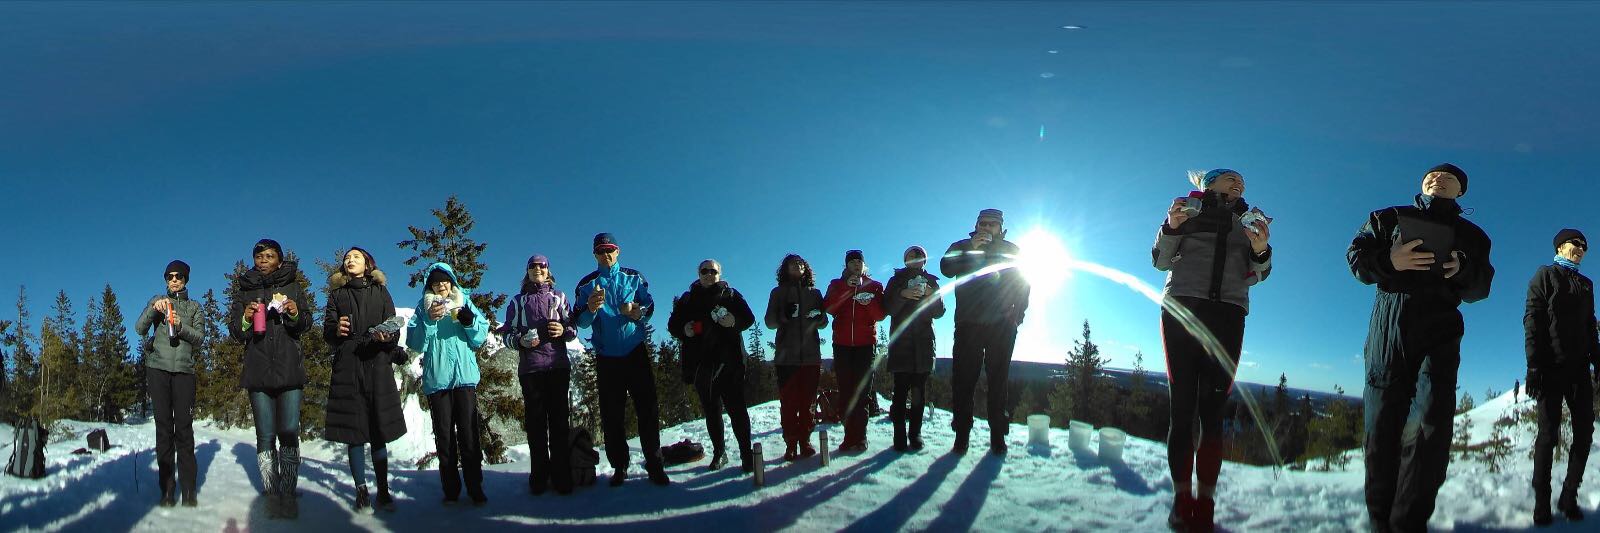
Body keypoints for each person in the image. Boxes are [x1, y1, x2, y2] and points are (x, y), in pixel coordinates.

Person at [1348, 163, 1494, 533]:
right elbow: (1356, 259)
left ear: (1461, 191)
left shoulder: (1474, 236)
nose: (1438, 179)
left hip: (1440, 332)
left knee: (1431, 424)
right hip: (1389, 329)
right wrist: (1390, 260)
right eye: (1431, 175)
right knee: (1381, 429)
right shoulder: (1388, 217)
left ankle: (1409, 523)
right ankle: (1380, 521)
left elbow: (1481, 288)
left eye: (1449, 177)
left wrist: (1462, 269)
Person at [1152, 169, 1273, 532]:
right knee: (1182, 409)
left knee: (1213, 412)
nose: (1239, 184)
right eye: (1231, 178)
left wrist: (1260, 248)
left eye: (1243, 181)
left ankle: (1205, 502)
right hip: (1182, 310)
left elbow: (1261, 273)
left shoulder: (1249, 220)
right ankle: (1181, 499)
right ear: (1209, 183)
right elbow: (1160, 260)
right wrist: (1172, 226)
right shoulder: (1188, 210)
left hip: (1228, 315)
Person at [573, 233, 670, 486]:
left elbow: (649, 306)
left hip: (635, 351)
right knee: (612, 414)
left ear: (618, 251)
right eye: (600, 250)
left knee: (648, 409)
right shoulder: (586, 285)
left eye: (610, 249)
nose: (606, 254)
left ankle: (655, 464)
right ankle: (620, 466)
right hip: (607, 357)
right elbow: (580, 322)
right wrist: (590, 308)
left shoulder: (634, 277)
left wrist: (638, 312)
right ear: (594, 254)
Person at [228, 239, 312, 519]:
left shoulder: (293, 287)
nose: (263, 260)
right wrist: (246, 318)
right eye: (259, 256)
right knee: (265, 434)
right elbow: (235, 331)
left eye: (269, 256)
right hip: (258, 370)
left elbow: (306, 323)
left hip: (289, 369)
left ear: (279, 260)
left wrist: (294, 313)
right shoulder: (245, 291)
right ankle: (271, 492)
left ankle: (288, 493)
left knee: (288, 431)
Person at [940, 209, 1030, 455]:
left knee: (998, 382)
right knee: (963, 380)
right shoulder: (962, 245)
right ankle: (961, 435)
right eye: (983, 223)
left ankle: (998, 436)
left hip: (1002, 326)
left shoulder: (1011, 250)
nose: (987, 228)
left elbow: (1024, 284)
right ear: (976, 225)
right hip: (968, 323)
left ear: (1001, 228)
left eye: (992, 224)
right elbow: (946, 268)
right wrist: (971, 249)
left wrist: (1017, 316)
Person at [323, 247, 406, 513]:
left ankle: (383, 490)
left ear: (367, 264)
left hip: (377, 361)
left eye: (356, 257)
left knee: (378, 428)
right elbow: (328, 331)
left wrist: (387, 337)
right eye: (347, 258)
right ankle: (361, 491)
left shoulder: (380, 291)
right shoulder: (337, 294)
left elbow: (393, 324)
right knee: (354, 431)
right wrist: (337, 330)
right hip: (348, 363)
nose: (350, 260)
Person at [1523, 228, 1597, 526]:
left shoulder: (1586, 284)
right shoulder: (1545, 275)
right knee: (1548, 435)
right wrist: (1533, 365)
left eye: (1584, 246)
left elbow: (1590, 326)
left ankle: (1569, 495)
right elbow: (1533, 319)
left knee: (1585, 433)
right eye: (1575, 243)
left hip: (1579, 370)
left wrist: (1597, 361)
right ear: (1560, 247)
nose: (1581, 248)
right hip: (1550, 367)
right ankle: (1542, 502)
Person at [405, 262, 491, 506]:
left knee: (469, 435)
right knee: (445, 438)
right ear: (429, 286)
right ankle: (451, 489)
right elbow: (414, 343)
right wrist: (429, 320)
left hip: (464, 378)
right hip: (438, 380)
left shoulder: (464, 301)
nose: (441, 285)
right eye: (435, 282)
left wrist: (469, 322)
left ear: (452, 282)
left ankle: (475, 487)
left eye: (444, 280)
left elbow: (480, 336)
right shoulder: (423, 307)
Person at [497, 254, 578, 496]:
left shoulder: (559, 297)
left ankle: (562, 475)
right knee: (536, 425)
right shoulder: (517, 302)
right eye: (533, 266)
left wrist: (563, 329)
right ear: (527, 271)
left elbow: (573, 328)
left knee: (559, 423)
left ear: (548, 270)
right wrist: (520, 340)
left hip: (557, 367)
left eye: (542, 266)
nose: (538, 269)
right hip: (531, 370)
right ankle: (539, 476)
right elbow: (506, 334)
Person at [668, 259, 757, 472]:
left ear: (720, 274)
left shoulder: (731, 295)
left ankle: (746, 454)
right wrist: (684, 330)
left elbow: (749, 319)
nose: (709, 274)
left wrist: (733, 321)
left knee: (737, 410)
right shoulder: (688, 299)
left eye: (713, 271)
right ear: (698, 274)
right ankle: (719, 453)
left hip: (730, 363)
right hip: (702, 365)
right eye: (704, 271)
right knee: (712, 412)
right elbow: (673, 325)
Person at [135, 259, 204, 508]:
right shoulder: (158, 301)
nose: (174, 280)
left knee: (184, 429)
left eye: (179, 276)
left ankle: (189, 491)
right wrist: (153, 308)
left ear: (185, 280)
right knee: (164, 430)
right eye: (170, 276)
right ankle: (166, 491)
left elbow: (199, 338)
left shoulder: (194, 307)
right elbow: (139, 328)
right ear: (166, 280)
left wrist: (181, 327)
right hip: (158, 370)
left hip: (184, 372)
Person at [765, 254, 829, 461]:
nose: (797, 266)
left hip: (811, 357)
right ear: (785, 269)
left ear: (806, 268)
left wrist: (819, 317)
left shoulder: (815, 293)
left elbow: (824, 322)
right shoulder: (777, 292)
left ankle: (805, 441)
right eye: (793, 264)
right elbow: (769, 322)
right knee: (789, 404)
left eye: (800, 263)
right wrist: (784, 314)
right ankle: (791, 444)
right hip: (786, 358)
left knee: (808, 403)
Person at [882, 246, 946, 452]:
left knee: (918, 394)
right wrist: (903, 294)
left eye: (919, 256)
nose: (915, 258)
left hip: (924, 344)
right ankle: (899, 436)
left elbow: (939, 312)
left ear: (925, 261)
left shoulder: (932, 282)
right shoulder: (895, 281)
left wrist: (931, 294)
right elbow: (888, 308)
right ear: (905, 260)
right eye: (911, 255)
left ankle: (915, 434)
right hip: (901, 344)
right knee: (900, 393)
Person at [823, 249, 886, 454]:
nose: (856, 265)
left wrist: (868, 303)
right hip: (842, 345)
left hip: (866, 345)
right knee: (846, 391)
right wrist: (847, 289)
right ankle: (848, 436)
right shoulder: (836, 284)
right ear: (846, 266)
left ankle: (861, 437)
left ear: (864, 265)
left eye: (859, 261)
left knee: (862, 392)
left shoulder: (874, 285)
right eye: (852, 262)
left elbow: (880, 315)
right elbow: (829, 308)